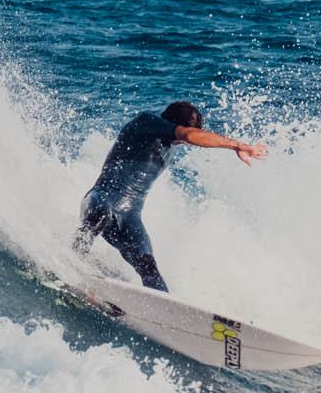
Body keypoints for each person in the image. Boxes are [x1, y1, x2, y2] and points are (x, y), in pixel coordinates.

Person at [72, 100, 263, 292]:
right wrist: (237, 145)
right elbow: (188, 135)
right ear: (174, 123)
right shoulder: (146, 121)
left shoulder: (168, 144)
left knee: (149, 267)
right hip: (99, 199)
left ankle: (163, 310)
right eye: (181, 136)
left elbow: (187, 135)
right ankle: (73, 260)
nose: (182, 143)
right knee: (103, 213)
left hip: (129, 217)